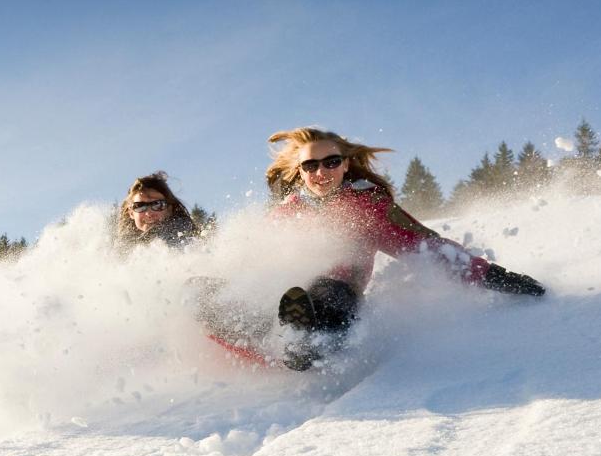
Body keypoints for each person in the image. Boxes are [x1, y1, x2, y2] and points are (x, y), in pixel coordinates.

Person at [266, 127, 545, 369]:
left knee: (329, 292)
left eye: (331, 162)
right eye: (310, 165)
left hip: (339, 293)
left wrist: (492, 275)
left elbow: (425, 246)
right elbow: (252, 257)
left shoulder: (368, 207)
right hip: (284, 292)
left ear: (346, 165)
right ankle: (270, 327)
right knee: (271, 292)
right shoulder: (286, 213)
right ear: (300, 172)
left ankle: (309, 342)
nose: (320, 172)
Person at [115, 172, 199, 254]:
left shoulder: (183, 240)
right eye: (139, 206)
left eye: (157, 204)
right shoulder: (124, 246)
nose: (149, 213)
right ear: (131, 213)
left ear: (170, 209)